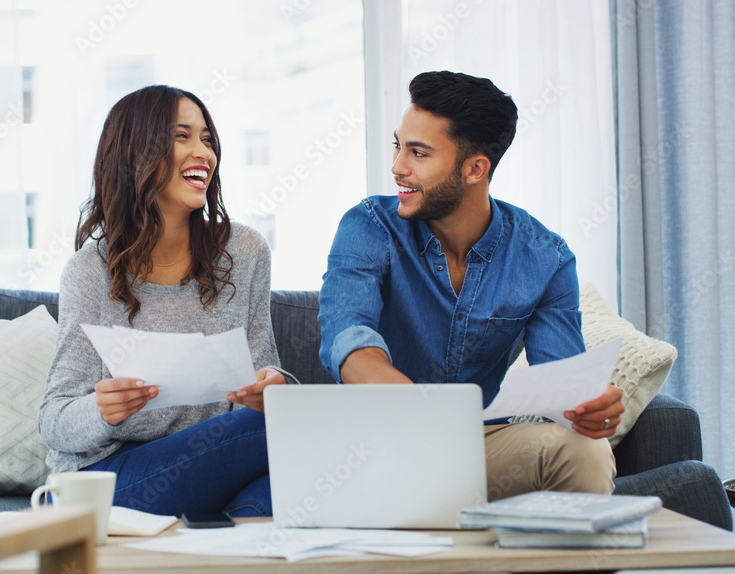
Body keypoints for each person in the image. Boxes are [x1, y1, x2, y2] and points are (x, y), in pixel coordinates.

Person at [318, 71, 622, 500]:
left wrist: (588, 410)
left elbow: (561, 384)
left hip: (474, 448)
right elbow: (348, 337)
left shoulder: (545, 257)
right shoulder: (368, 226)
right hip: (371, 447)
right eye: (398, 146)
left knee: (584, 448)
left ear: (475, 168)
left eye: (418, 153)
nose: (397, 167)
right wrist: (422, 411)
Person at [38, 85, 288, 518]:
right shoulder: (88, 272)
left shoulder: (245, 253)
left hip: (213, 465)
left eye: (207, 140)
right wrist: (103, 412)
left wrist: (273, 389)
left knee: (275, 480)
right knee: (281, 430)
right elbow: (54, 422)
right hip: (110, 479)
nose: (203, 153)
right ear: (137, 151)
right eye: (182, 136)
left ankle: (234, 534)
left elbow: (262, 376)